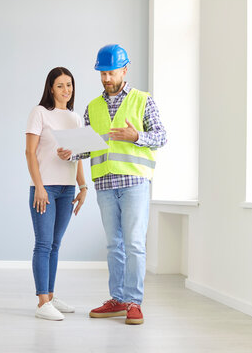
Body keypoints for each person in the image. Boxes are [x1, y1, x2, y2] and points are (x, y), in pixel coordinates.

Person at [58, 44, 167, 325]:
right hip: (105, 184)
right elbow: (90, 147)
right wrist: (72, 152)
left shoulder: (143, 100)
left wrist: (136, 137)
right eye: (102, 73)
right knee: (113, 246)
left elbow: (162, 136)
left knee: (134, 244)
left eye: (111, 72)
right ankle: (117, 299)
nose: (106, 78)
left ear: (124, 70)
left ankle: (134, 302)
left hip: (133, 182)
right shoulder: (92, 107)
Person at [25, 67, 88, 321]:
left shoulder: (75, 119)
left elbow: (80, 156)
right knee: (43, 244)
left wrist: (83, 187)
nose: (66, 90)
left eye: (69, 85)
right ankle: (42, 303)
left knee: (55, 244)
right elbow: (30, 153)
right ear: (51, 88)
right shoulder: (39, 113)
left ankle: (50, 296)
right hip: (46, 188)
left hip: (67, 188)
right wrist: (39, 186)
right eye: (60, 85)